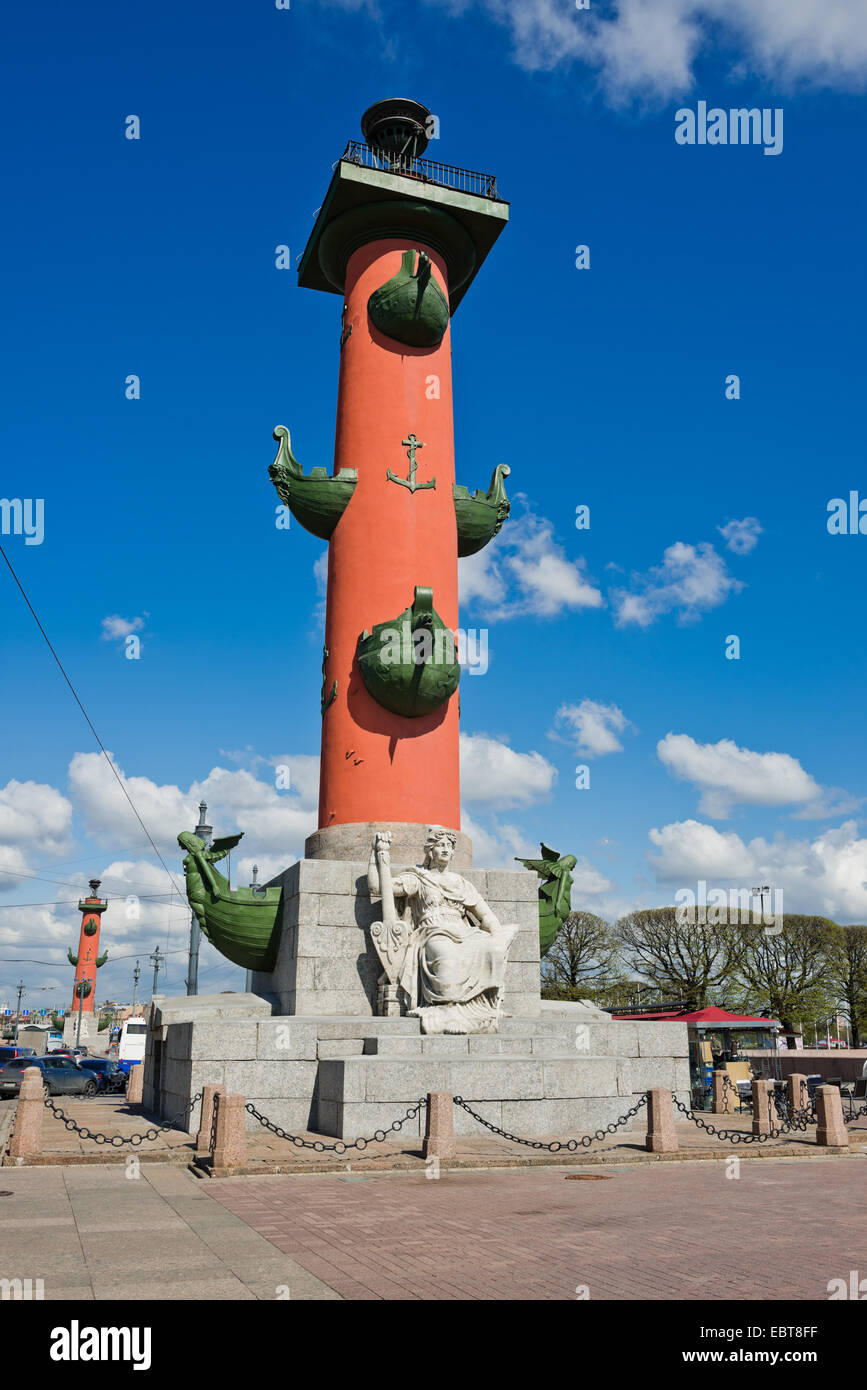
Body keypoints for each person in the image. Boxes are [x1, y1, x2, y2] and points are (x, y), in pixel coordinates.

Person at [368, 826, 518, 1034]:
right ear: (430, 851)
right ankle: (448, 1011)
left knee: (492, 948)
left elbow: (486, 916)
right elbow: (377, 887)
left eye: (449, 846)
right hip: (433, 931)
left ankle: (484, 1008)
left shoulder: (461, 883)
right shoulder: (418, 878)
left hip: (464, 932)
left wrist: (497, 936)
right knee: (444, 954)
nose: (446, 849)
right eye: (440, 845)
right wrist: (379, 853)